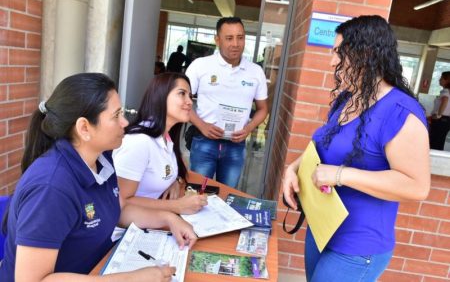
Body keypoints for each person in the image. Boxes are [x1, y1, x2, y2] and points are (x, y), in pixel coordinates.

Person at [0, 73, 197, 282]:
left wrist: (168, 219)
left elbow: (117, 208)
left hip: (97, 268)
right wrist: (130, 280)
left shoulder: (101, 157)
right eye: (116, 115)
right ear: (84, 128)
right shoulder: (50, 188)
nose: (125, 122)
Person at [283, 15, 430, 282]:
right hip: (323, 227)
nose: (332, 62)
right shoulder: (347, 100)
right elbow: (323, 146)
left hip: (358, 245)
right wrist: (291, 168)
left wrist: (340, 175)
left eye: (339, 53)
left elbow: (417, 186)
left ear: (367, 53)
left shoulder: (401, 112)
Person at [185, 17, 268, 188]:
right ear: (217, 40)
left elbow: (262, 109)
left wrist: (248, 129)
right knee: (197, 193)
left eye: (240, 37)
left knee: (226, 197)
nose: (236, 44)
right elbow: (182, 102)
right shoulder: (200, 66)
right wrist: (202, 125)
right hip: (204, 141)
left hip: (235, 146)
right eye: (229, 38)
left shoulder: (255, 72)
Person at [113, 72, 207, 214]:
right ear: (160, 97)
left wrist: (174, 181)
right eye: (182, 94)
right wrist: (178, 206)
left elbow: (174, 168)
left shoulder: (166, 137)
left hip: (153, 221)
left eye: (190, 96)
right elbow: (121, 200)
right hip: (126, 231)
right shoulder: (139, 142)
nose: (189, 102)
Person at [429, 71, 450, 150]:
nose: (439, 80)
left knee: (434, 142)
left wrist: (438, 115)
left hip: (441, 120)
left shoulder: (446, 91)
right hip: (446, 120)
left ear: (447, 80)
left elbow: (445, 100)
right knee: (439, 142)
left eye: (441, 78)